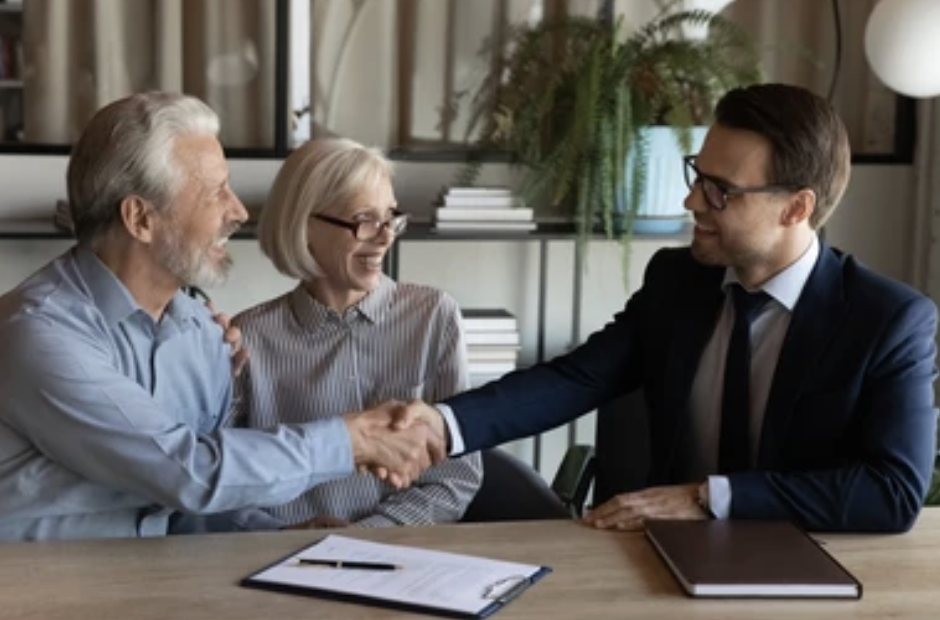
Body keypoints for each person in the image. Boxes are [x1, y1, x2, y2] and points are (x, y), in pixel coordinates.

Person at [380, 83, 939, 533]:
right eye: (698, 175)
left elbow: (890, 492)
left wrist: (710, 498)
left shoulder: (887, 321)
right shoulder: (679, 281)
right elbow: (576, 379)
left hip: (813, 570)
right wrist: (442, 423)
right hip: (667, 561)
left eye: (721, 190)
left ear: (796, 207)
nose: (692, 201)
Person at [0, 92, 439, 541]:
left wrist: (278, 532)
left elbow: (183, 508)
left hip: (151, 584)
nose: (239, 211)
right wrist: (352, 440)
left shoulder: (201, 332)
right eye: (216, 192)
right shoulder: (38, 333)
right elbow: (189, 472)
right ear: (140, 219)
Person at [229, 138, 482, 528]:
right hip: (274, 557)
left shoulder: (433, 316)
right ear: (305, 225)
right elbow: (222, 478)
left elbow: (456, 477)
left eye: (391, 218)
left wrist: (369, 535)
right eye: (364, 220)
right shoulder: (248, 336)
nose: (385, 237)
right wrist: (281, 533)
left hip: (402, 560)